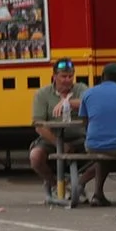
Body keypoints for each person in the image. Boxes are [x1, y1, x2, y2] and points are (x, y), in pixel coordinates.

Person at [75, 61, 116, 205]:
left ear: (103, 76)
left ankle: (97, 195)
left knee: (103, 157)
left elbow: (85, 121)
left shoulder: (88, 93)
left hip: (93, 145)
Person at [30, 59, 82, 193]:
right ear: (54, 77)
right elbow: (38, 124)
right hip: (52, 139)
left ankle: (79, 184)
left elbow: (88, 102)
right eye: (63, 76)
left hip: (79, 137)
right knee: (35, 157)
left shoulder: (81, 89)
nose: (67, 80)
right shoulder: (43, 94)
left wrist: (68, 102)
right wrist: (60, 145)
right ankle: (55, 185)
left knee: (103, 153)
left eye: (70, 76)